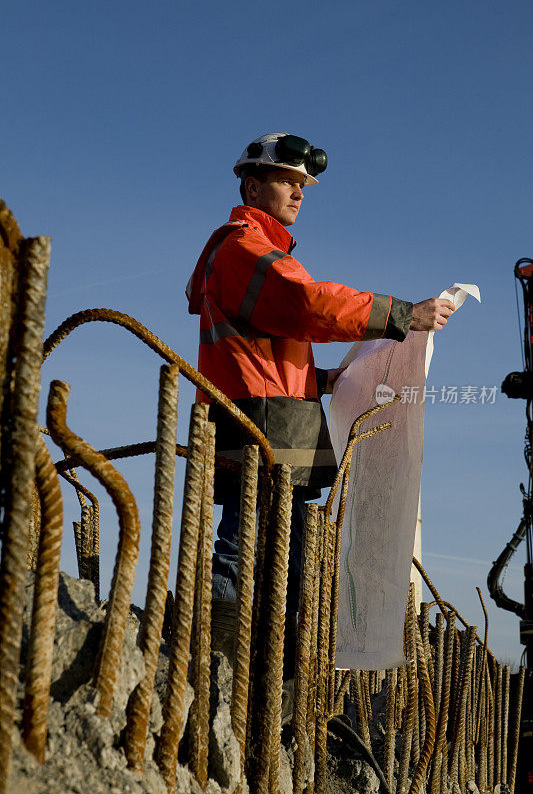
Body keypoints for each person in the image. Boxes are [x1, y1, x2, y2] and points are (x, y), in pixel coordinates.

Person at [186, 132, 454, 655]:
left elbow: (261, 359)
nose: (299, 192)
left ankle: (252, 665)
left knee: (271, 554)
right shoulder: (244, 248)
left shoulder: (255, 251)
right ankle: (215, 660)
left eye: (303, 184)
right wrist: (403, 315)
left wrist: (324, 380)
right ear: (252, 186)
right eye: (287, 181)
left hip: (273, 421)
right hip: (259, 430)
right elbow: (306, 304)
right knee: (245, 549)